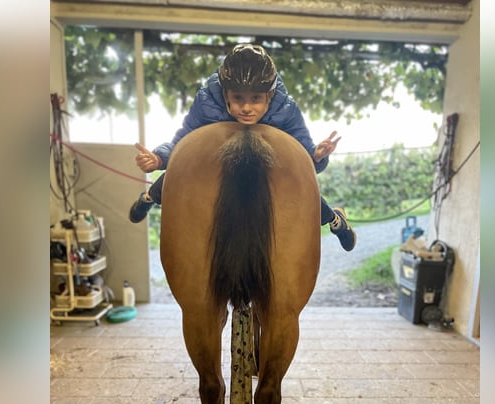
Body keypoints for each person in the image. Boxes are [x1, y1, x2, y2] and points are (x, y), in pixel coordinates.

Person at [129, 43, 356, 251]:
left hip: (269, 165)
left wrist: (316, 155)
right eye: (238, 98)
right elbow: (183, 142)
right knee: (176, 173)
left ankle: (335, 221)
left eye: (255, 99)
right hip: (217, 159)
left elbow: (303, 154)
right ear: (226, 93)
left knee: (304, 188)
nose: (246, 108)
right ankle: (149, 197)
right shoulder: (207, 101)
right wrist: (159, 158)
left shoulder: (286, 109)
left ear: (270, 95)